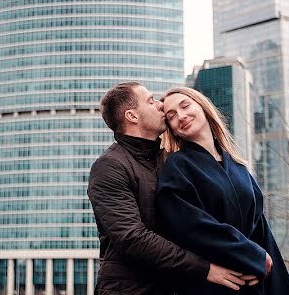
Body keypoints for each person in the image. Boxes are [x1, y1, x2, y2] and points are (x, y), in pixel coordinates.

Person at [88, 82, 257, 295]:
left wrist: (246, 257)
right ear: (132, 116)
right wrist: (205, 269)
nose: (160, 105)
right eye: (150, 101)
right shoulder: (109, 166)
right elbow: (132, 237)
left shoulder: (170, 161)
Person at [155, 86, 289, 295]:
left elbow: (261, 230)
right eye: (172, 116)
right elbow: (189, 226)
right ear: (172, 129)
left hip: (253, 282)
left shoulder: (239, 167)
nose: (181, 116)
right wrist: (250, 255)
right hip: (211, 285)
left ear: (203, 107)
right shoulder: (177, 166)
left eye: (185, 106)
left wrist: (264, 267)